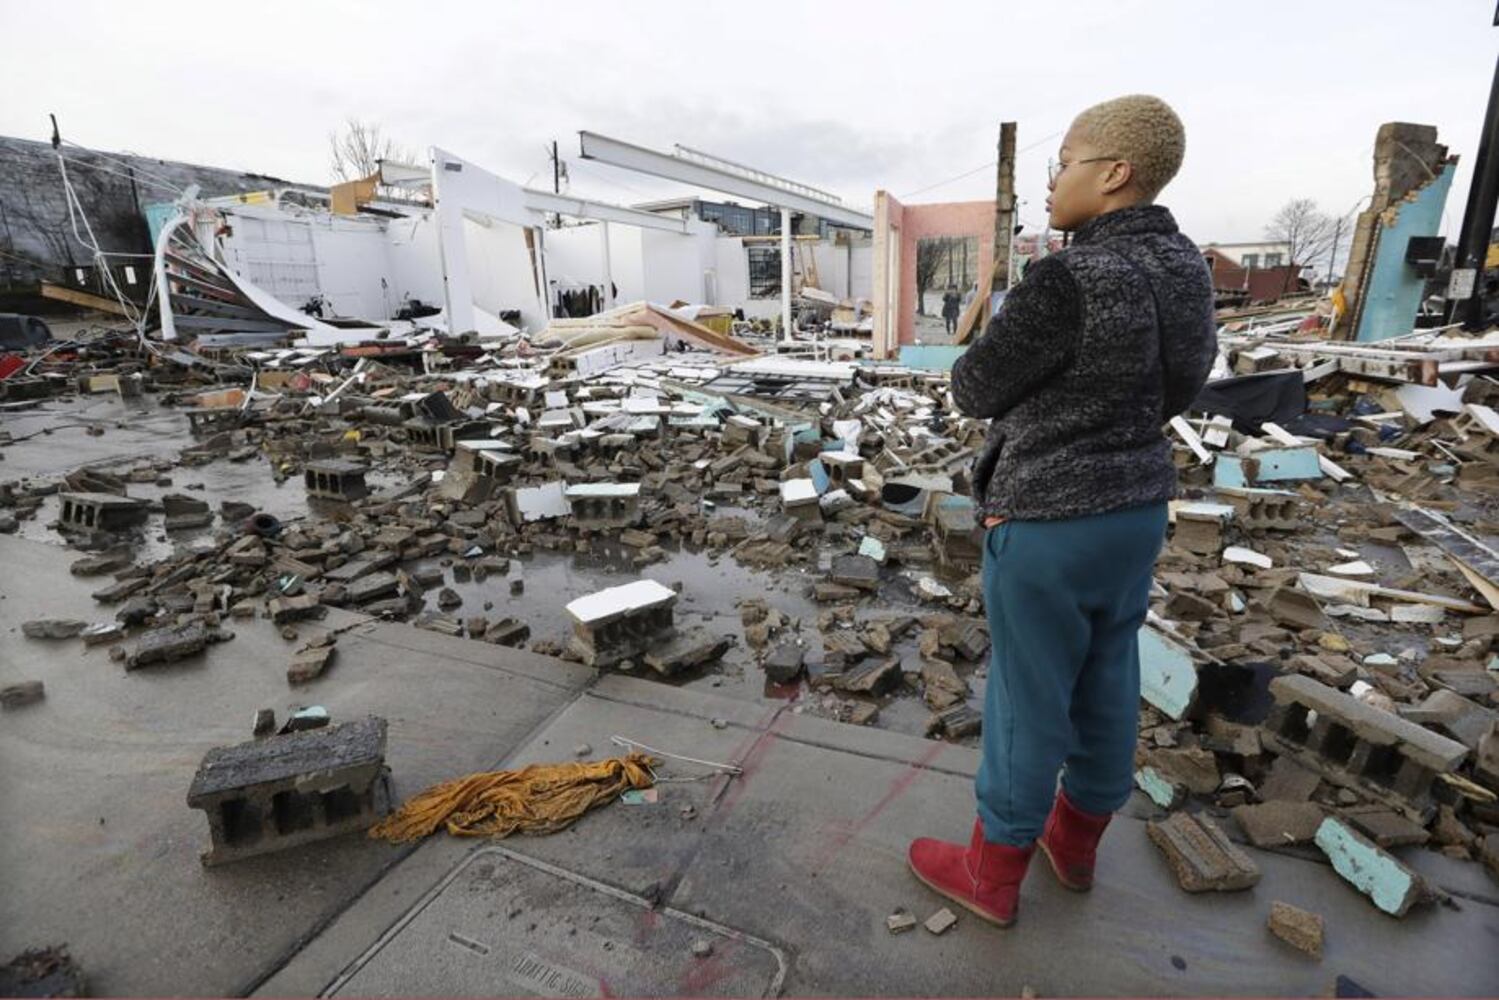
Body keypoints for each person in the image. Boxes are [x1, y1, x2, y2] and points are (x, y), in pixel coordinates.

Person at [907, 94, 1217, 928]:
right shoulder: (1186, 268)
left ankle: (991, 870)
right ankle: (1073, 845)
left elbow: (974, 389)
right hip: (1137, 511)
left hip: (1047, 521)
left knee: (1025, 697)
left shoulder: (1069, 276)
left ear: (1114, 174)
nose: (1052, 181)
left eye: (1066, 161)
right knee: (1107, 675)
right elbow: (1184, 383)